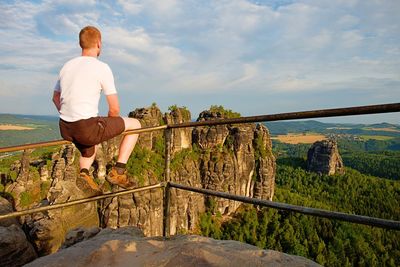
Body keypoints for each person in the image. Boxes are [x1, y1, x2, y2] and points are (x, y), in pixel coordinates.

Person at [52, 26, 141, 195]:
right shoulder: (101, 67)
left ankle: (84, 174)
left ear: (81, 44)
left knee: (89, 147)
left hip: (65, 127)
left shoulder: (67, 66)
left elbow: (55, 98)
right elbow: (114, 108)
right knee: (136, 124)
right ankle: (119, 172)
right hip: (86, 127)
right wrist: (107, 125)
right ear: (99, 43)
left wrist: (70, 115)